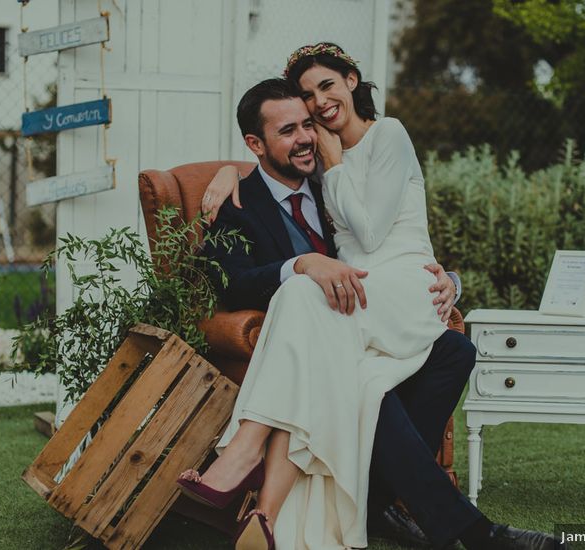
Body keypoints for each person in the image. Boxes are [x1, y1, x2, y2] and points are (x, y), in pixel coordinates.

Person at [181, 43, 564, 550]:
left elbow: (384, 233)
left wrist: (449, 277)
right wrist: (296, 257)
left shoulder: (323, 171)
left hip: (364, 314)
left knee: (455, 351)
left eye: (308, 121)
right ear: (255, 144)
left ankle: (289, 465)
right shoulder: (238, 204)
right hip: (328, 333)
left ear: (351, 82)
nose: (306, 131)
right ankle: (474, 532)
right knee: (360, 378)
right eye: (292, 124)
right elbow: (230, 283)